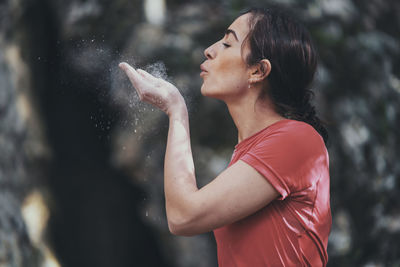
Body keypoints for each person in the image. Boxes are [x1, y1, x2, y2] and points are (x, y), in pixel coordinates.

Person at [119, 6, 331, 267]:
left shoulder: (296, 140)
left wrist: (176, 110)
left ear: (258, 71)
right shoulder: (247, 152)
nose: (210, 49)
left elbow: (183, 216)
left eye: (228, 43)